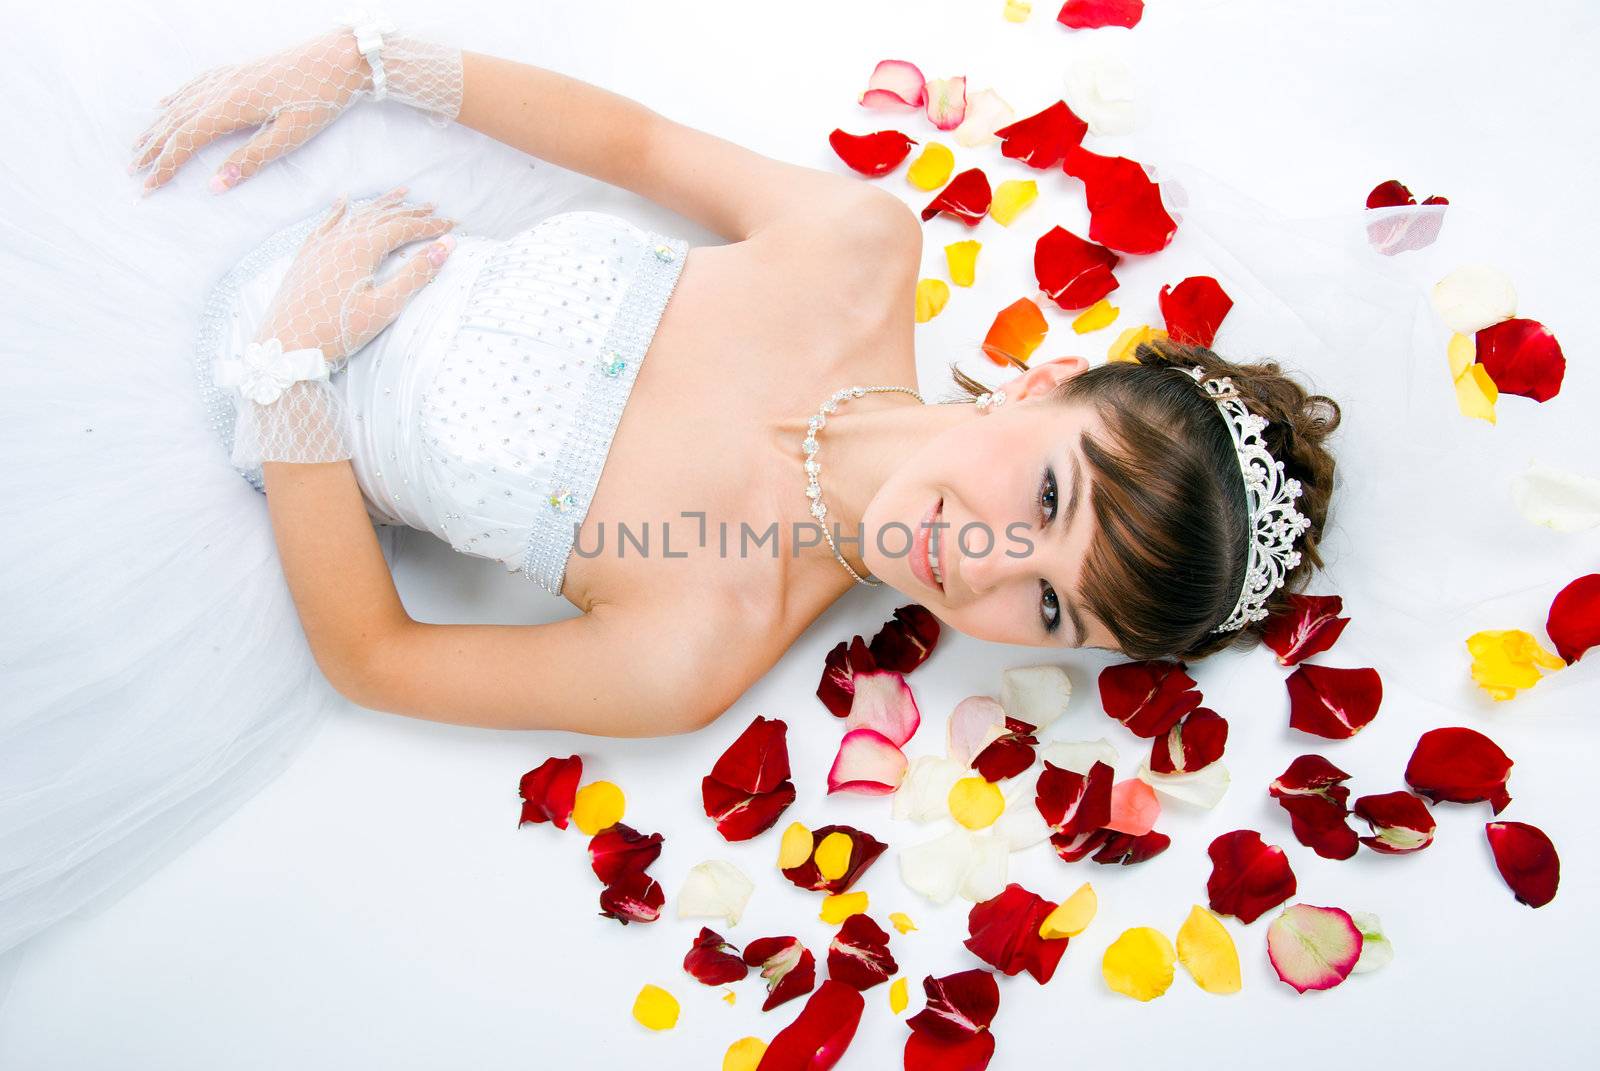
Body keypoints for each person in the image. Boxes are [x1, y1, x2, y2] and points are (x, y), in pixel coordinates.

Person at [0, 9, 1352, 1007]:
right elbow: (634, 140)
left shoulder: (699, 643)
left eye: (1050, 603)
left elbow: (380, 657)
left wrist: (292, 379)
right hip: (260, 187)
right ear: (1051, 380)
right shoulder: (856, 252)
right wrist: (363, 65)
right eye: (1048, 492)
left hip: (187, 447)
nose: (990, 559)